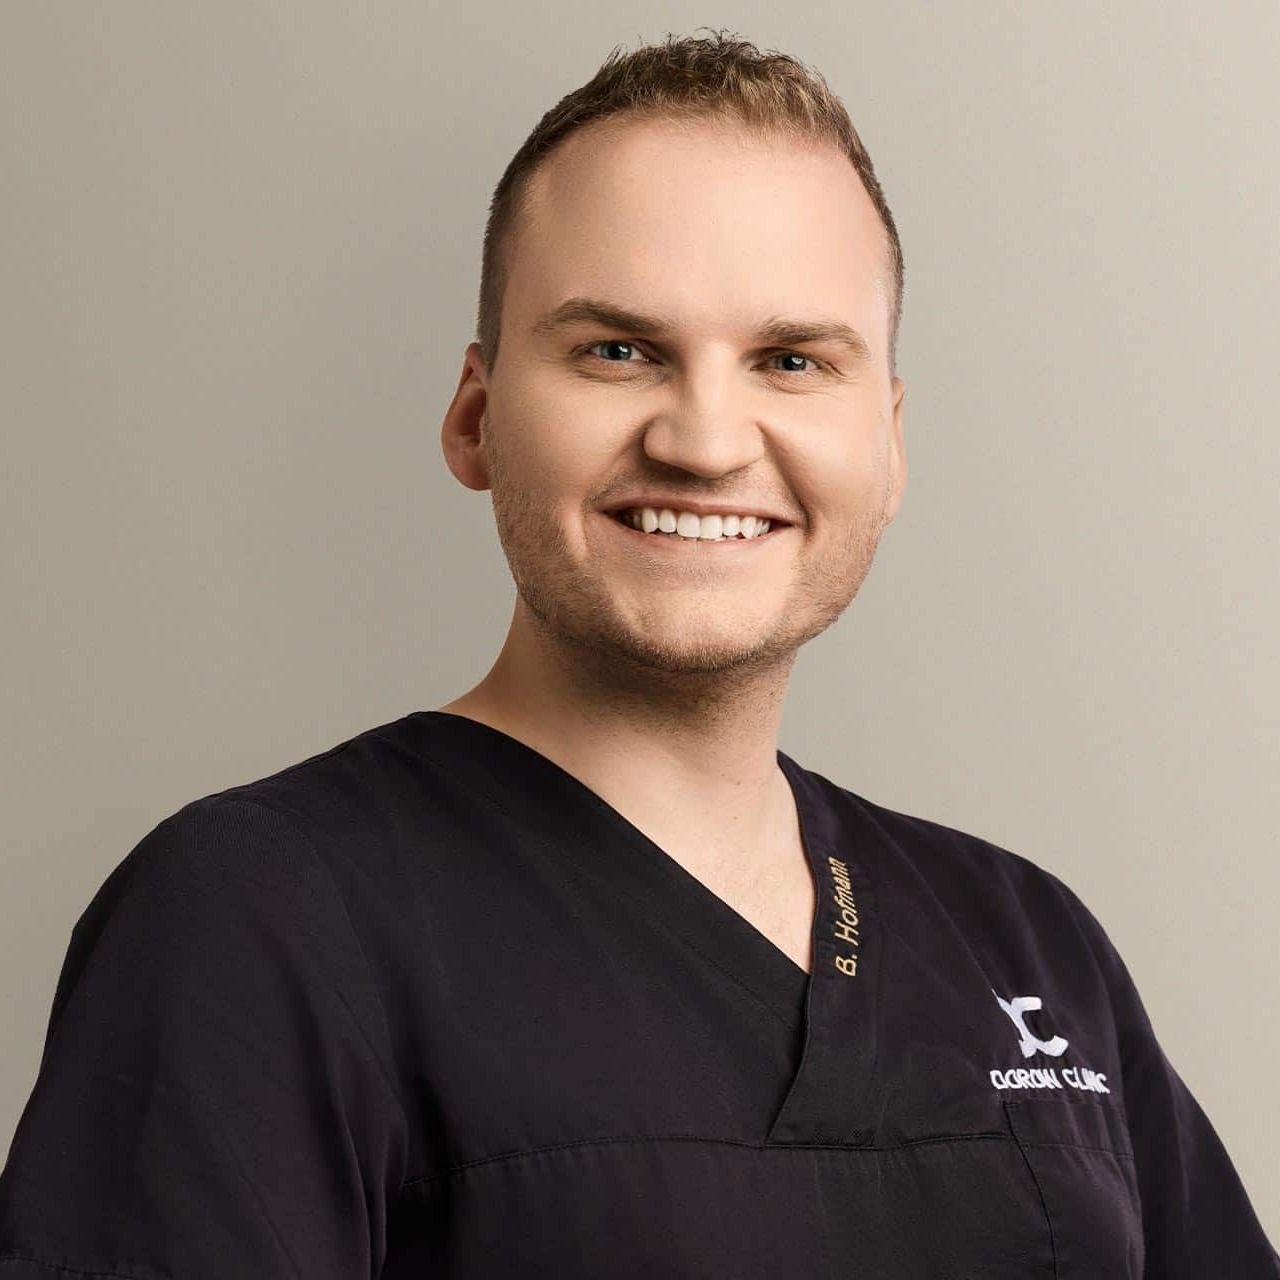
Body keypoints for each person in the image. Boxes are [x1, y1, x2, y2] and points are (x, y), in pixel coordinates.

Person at [1, 28, 1275, 1279]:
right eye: (617, 350)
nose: (705, 441)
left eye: (790, 360)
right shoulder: (263, 914)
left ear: (886, 447)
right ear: (476, 417)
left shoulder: (1023, 940)